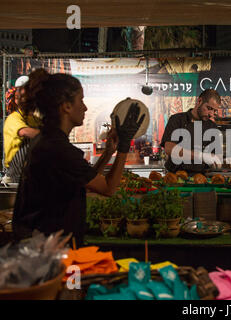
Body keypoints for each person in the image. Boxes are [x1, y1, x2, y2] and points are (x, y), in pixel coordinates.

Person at [12, 69, 145, 247]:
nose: (85, 107)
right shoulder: (58, 149)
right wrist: (124, 146)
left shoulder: (46, 141)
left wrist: (107, 153)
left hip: (45, 246)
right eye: (80, 100)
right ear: (66, 106)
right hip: (49, 253)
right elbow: (108, 188)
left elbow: (84, 180)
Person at [161, 89, 223, 175]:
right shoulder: (177, 120)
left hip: (201, 180)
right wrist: (200, 156)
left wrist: (223, 162)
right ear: (200, 101)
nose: (211, 114)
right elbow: (169, 148)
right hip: (175, 178)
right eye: (209, 108)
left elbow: (215, 157)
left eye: (214, 111)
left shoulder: (212, 127)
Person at [2, 82, 41, 183]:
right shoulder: (13, 118)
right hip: (16, 177)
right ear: (15, 101)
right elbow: (25, 132)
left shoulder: (35, 119)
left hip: (33, 176)